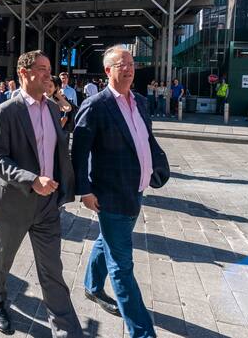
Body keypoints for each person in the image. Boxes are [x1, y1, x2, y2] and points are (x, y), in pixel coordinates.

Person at [72, 46, 168, 338]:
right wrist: (84, 191)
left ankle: (91, 285)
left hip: (135, 190)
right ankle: (143, 332)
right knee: (122, 266)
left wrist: (157, 165)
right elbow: (79, 153)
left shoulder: (139, 101)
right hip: (110, 194)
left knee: (108, 239)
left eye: (131, 63)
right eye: (120, 64)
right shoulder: (96, 105)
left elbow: (146, 138)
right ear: (107, 71)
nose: (128, 68)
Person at [0, 50, 82, 337]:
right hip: (13, 204)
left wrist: (71, 186)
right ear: (23, 73)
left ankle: (66, 329)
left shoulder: (53, 109)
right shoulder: (6, 111)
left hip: (47, 205)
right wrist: (31, 179)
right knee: (1, 261)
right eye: (41, 68)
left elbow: (59, 153)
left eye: (49, 69)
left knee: (52, 270)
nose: (47, 74)